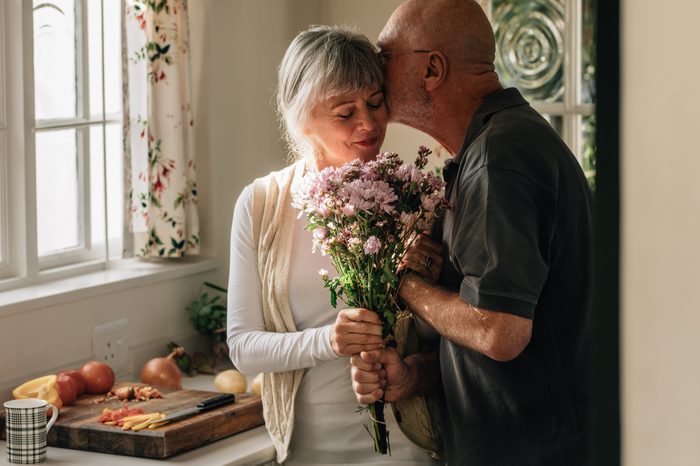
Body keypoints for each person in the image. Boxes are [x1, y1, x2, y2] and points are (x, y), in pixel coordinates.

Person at [350, 1, 594, 465]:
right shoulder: (496, 147)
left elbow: (499, 332)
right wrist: (413, 377)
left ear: (432, 68)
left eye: (386, 56)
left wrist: (402, 283)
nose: (375, 71)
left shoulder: (499, 159)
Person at [226, 25, 441, 465]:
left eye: (376, 103)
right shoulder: (263, 206)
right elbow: (244, 348)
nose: (369, 123)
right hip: (309, 453)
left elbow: (452, 345)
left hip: (409, 451)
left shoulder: (415, 201)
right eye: (345, 112)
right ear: (302, 119)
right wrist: (330, 340)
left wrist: (424, 284)